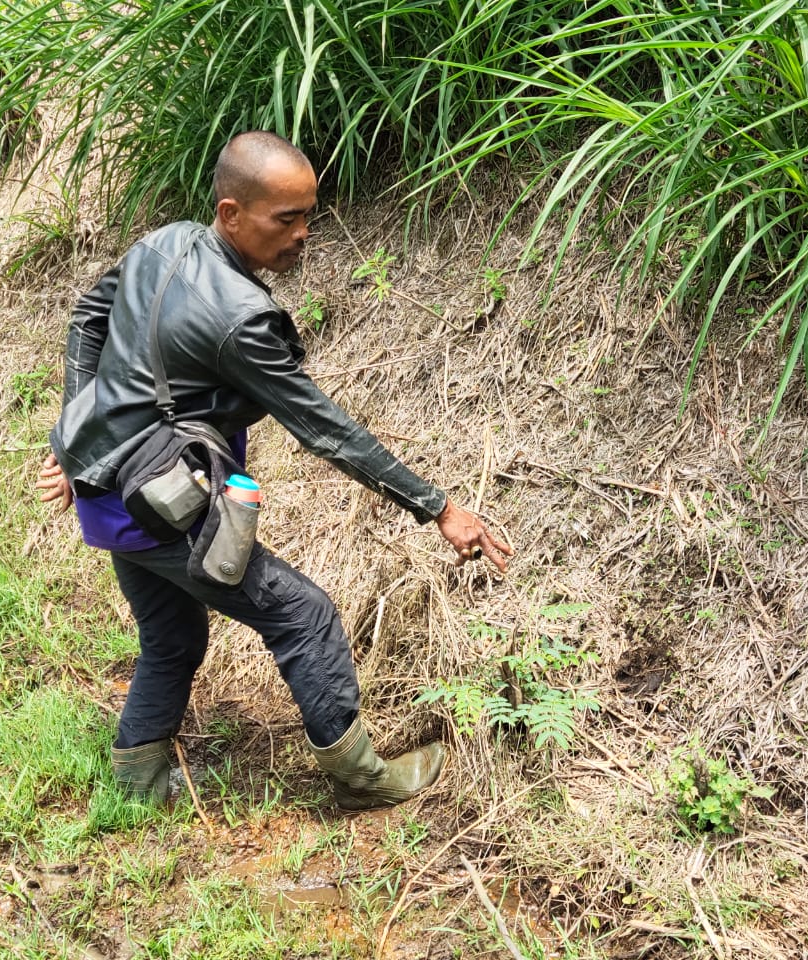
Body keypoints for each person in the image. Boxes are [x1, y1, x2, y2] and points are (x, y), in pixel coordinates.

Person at [36, 131, 512, 810]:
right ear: (231, 214)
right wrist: (437, 507)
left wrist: (77, 438)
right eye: (285, 219)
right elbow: (324, 429)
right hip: (160, 505)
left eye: (308, 216)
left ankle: (137, 785)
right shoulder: (239, 321)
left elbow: (88, 318)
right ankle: (362, 779)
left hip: (111, 497)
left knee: (172, 635)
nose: (302, 234)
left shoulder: (164, 242)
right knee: (304, 616)